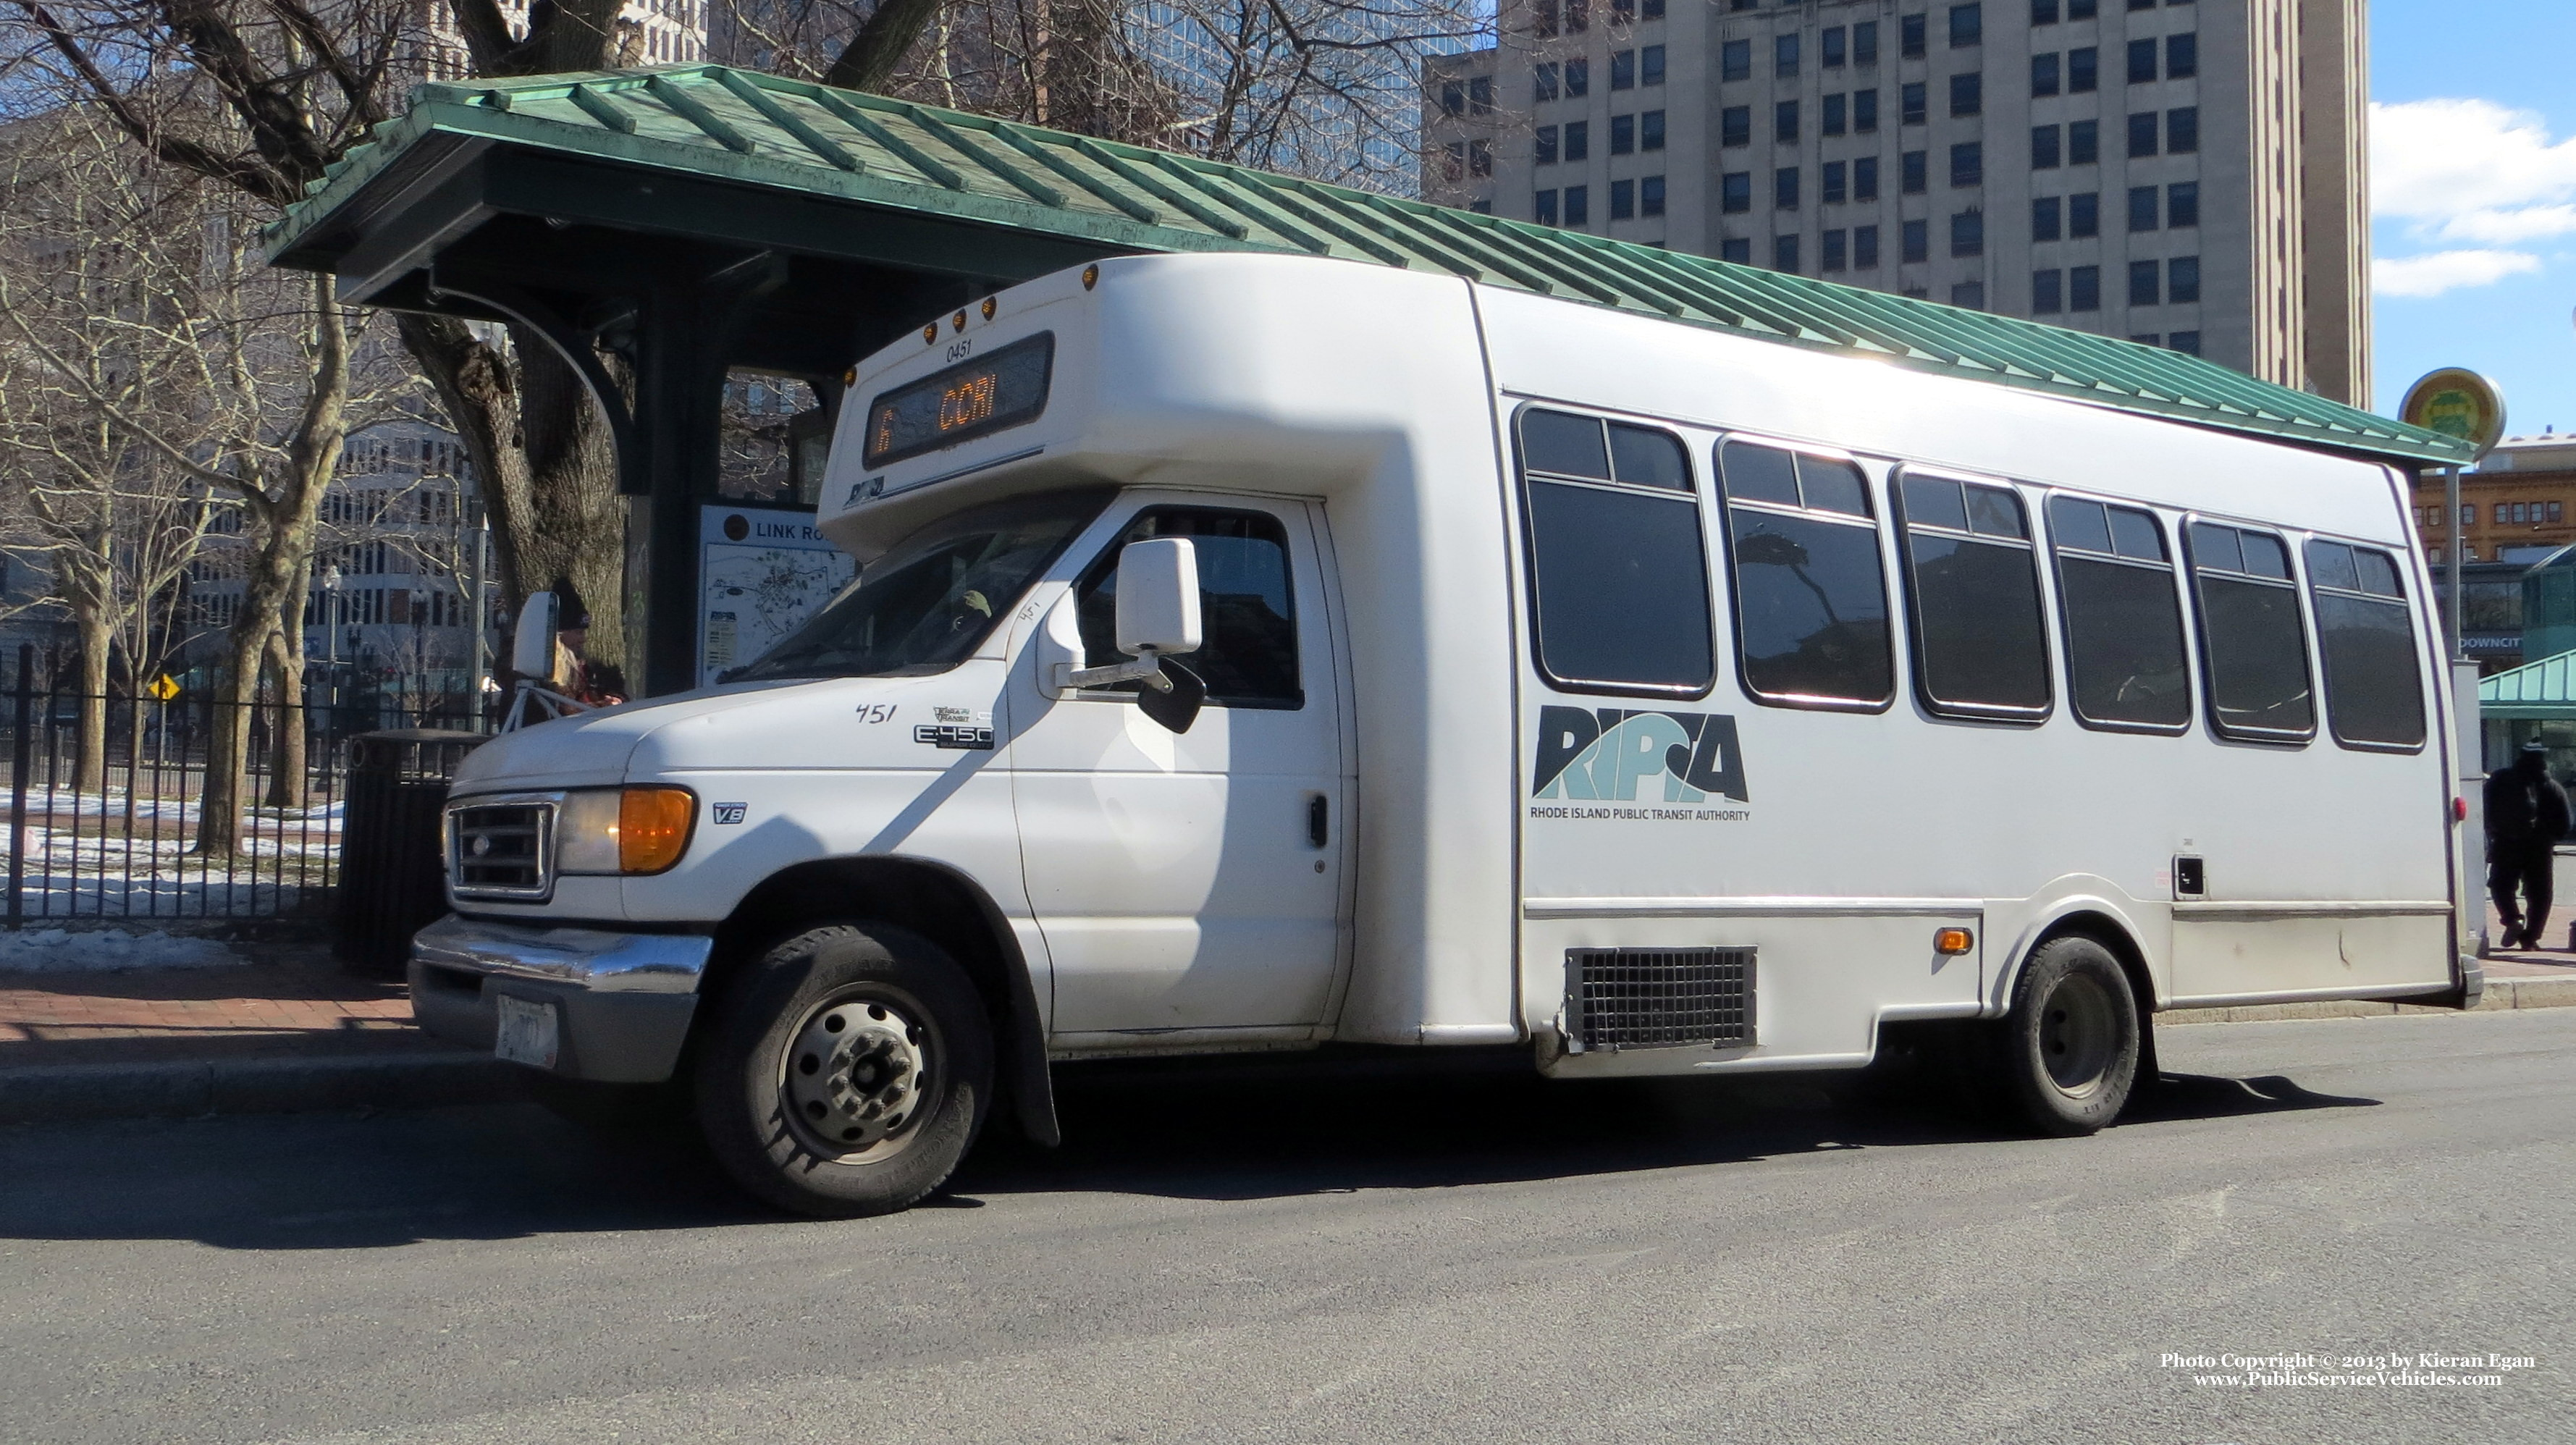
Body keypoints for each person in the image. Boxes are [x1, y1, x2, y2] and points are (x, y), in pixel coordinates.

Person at [2483, 741, 2570, 949]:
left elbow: (2485, 806)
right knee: (2540, 894)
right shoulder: (2552, 787)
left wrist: (2494, 830)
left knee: (2501, 885)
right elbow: (2565, 822)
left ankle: (2512, 918)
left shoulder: (2501, 780)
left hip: (2507, 842)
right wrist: (2549, 838)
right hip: (2540, 847)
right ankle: (2530, 938)